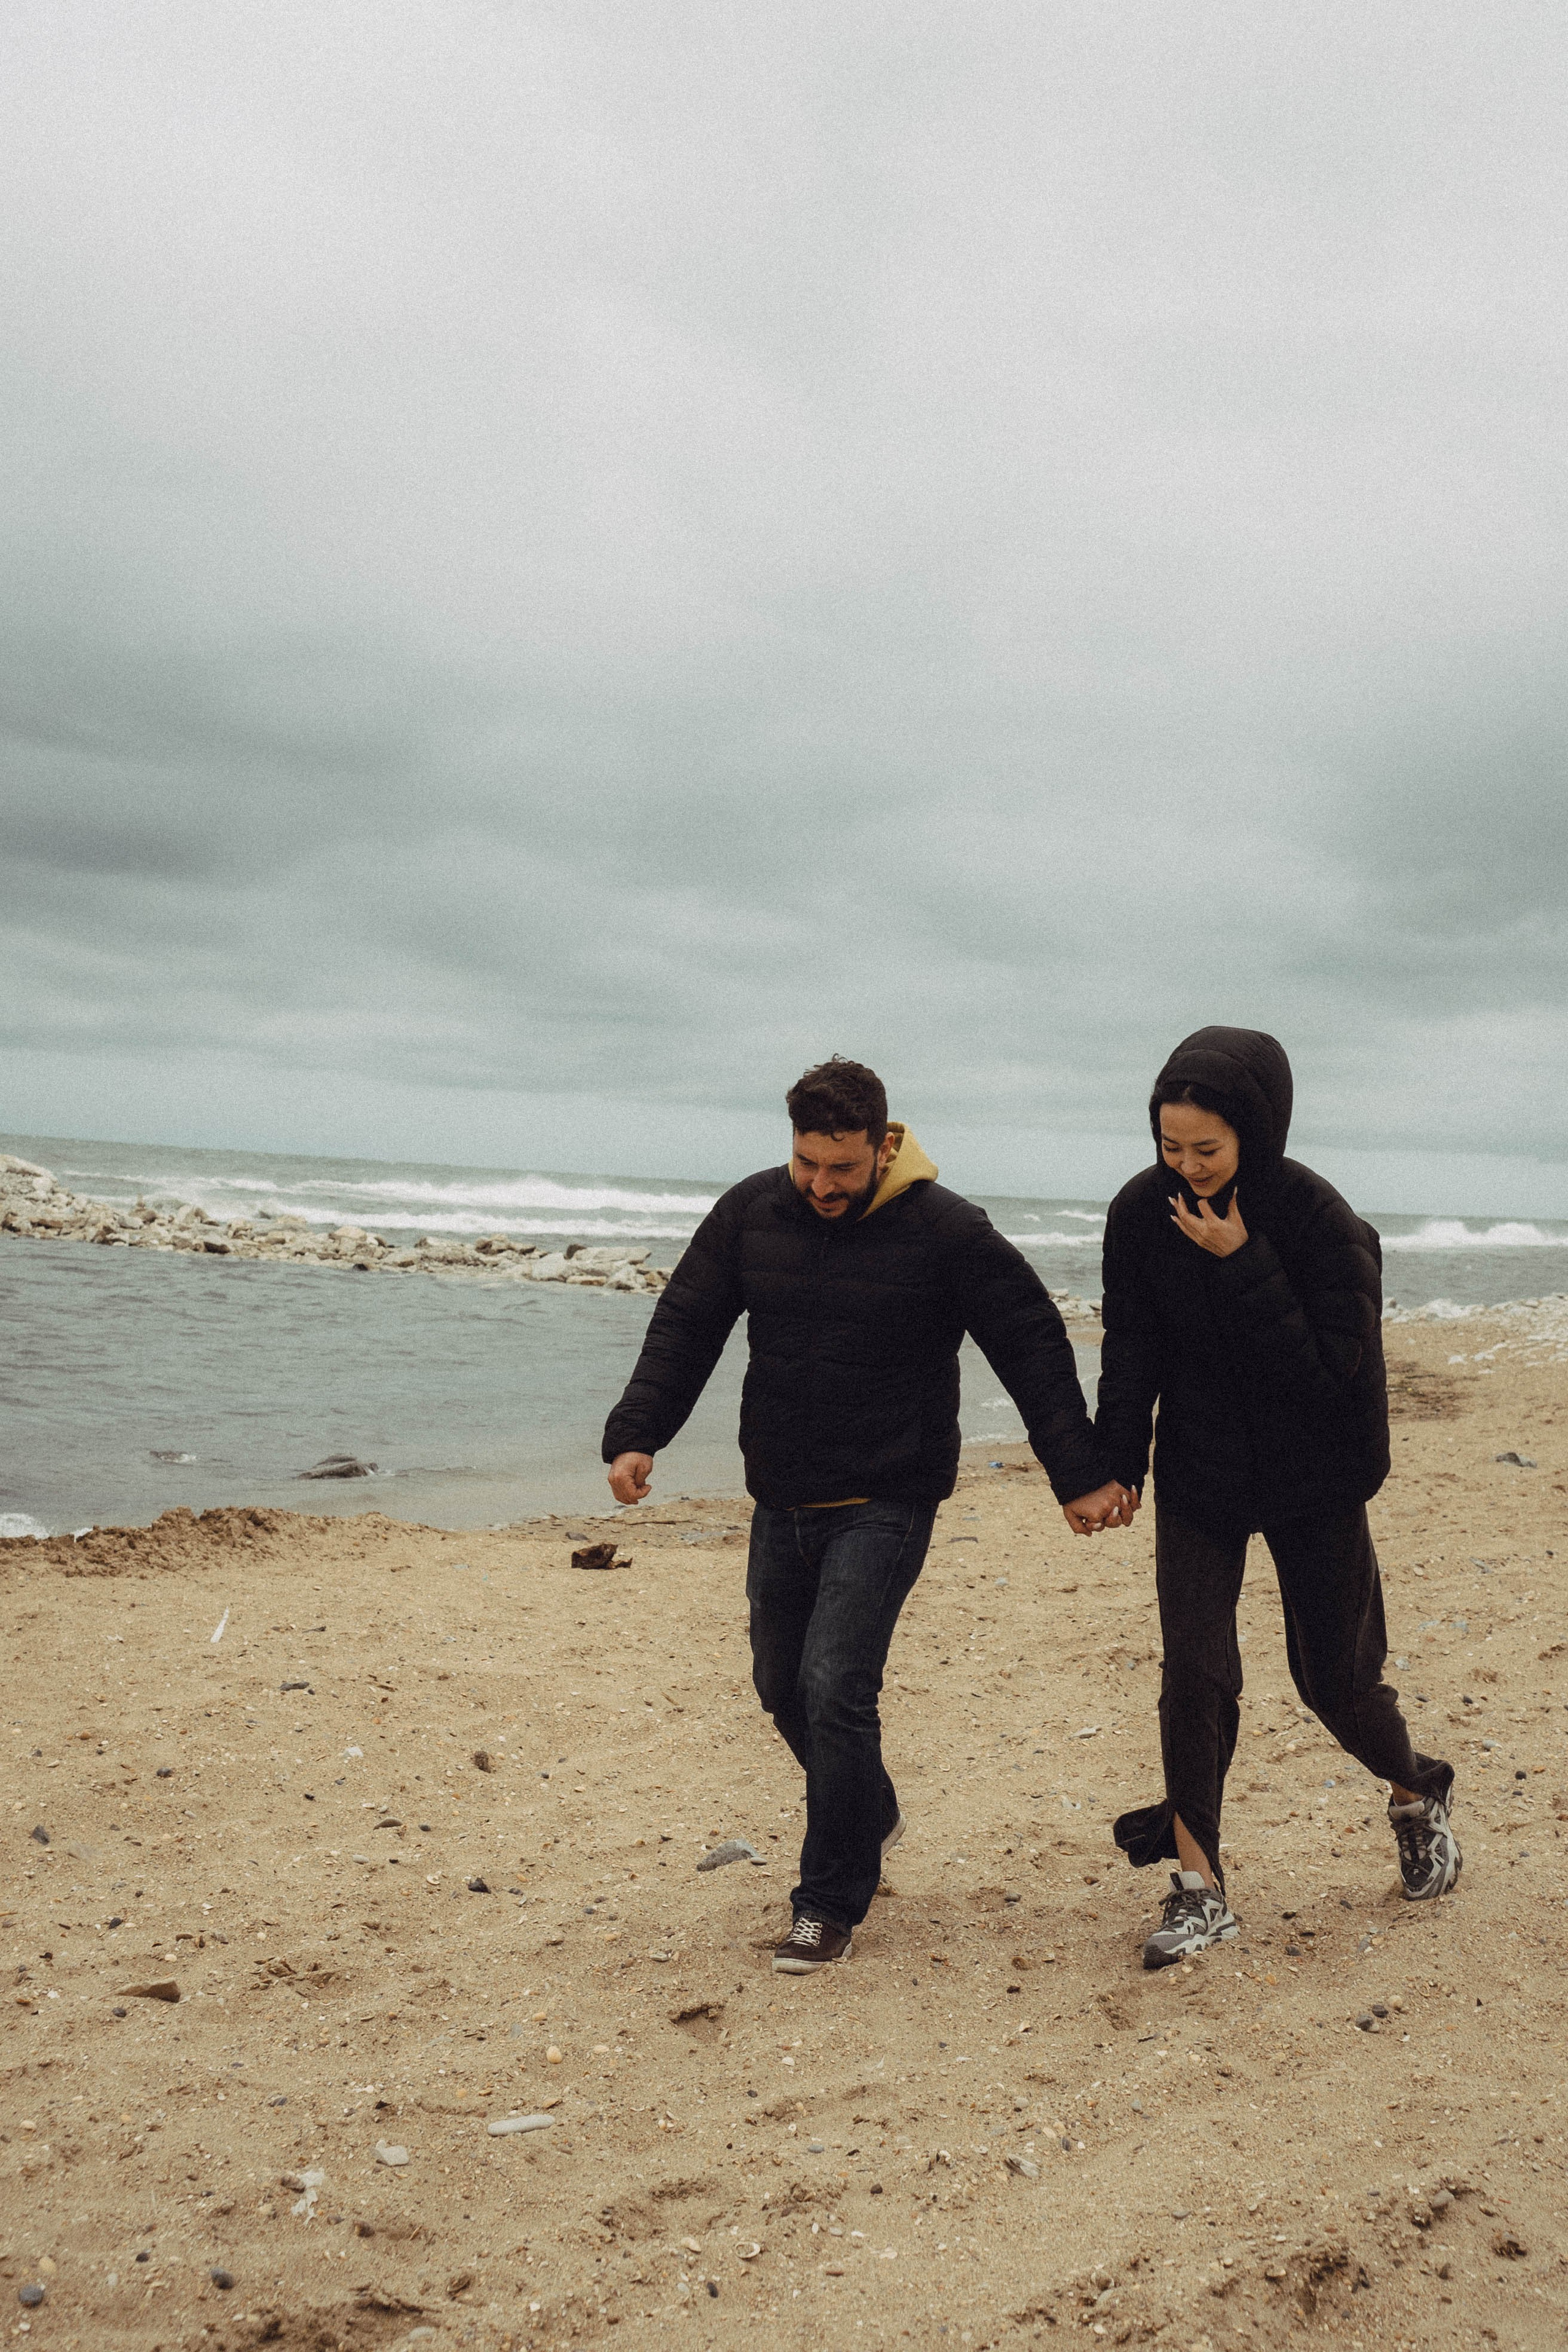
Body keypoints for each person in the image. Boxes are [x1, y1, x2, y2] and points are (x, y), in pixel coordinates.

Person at [603, 1055, 1136, 1975]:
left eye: (841, 1167)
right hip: (782, 1495)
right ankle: (868, 1812)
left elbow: (1030, 1341)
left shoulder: (947, 1231)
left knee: (836, 1688)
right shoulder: (751, 1212)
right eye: (807, 1162)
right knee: (781, 1686)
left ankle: (827, 1903)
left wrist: (1078, 1473)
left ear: (883, 1145)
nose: (821, 1184)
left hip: (887, 1498)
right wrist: (638, 1430)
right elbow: (688, 1322)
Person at [1095, 1026, 1460, 1970]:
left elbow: (1330, 1377)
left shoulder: (1318, 1219)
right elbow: (1131, 1350)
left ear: (1255, 1132)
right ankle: (1199, 1887)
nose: (1186, 1167)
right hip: (1204, 1474)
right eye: (1170, 1147)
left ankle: (1418, 1792)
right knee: (1196, 1670)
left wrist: (1243, 1257)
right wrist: (1116, 1464)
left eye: (1205, 1150)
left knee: (1334, 1681)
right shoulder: (1142, 1213)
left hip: (1317, 1473)